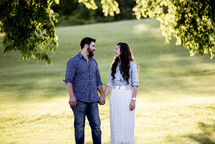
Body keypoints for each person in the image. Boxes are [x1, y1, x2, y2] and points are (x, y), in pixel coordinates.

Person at [64, 37, 105, 144]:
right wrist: (71, 96)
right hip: (79, 101)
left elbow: (98, 81)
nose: (95, 49)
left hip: (93, 101)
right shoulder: (73, 61)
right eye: (93, 46)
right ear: (86, 46)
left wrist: (102, 95)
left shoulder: (93, 62)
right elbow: (69, 81)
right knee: (79, 128)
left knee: (96, 127)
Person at [103, 42, 139, 144]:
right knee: (115, 121)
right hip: (115, 95)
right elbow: (110, 83)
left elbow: (135, 84)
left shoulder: (132, 66)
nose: (114, 51)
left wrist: (133, 100)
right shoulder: (113, 66)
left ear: (122, 51)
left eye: (116, 49)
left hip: (126, 96)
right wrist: (103, 96)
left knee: (126, 122)